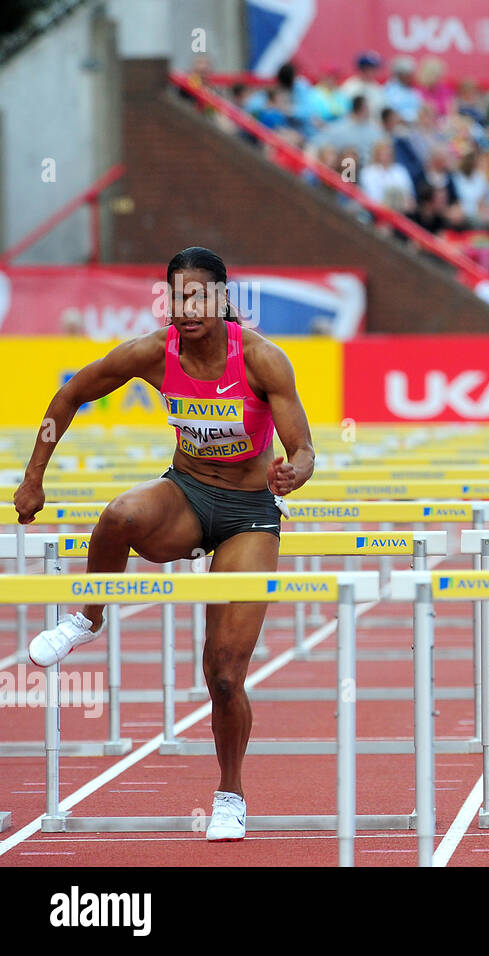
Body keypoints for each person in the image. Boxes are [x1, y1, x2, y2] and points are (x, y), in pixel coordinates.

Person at [13, 247, 316, 842]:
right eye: (177, 297)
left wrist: (296, 471)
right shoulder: (153, 353)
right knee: (119, 515)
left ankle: (230, 795)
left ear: (223, 298)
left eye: (199, 296)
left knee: (224, 673)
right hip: (187, 494)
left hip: (249, 516)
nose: (187, 308)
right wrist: (33, 476)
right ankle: (86, 618)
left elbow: (304, 447)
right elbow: (70, 396)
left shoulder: (261, 359)